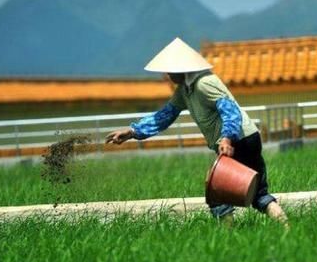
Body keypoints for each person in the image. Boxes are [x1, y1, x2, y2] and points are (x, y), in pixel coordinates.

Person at [105, 37, 288, 227]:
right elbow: (166, 115)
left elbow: (230, 110)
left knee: (218, 192)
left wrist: (227, 138)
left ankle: (229, 238)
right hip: (244, 138)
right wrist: (133, 131)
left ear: (180, 68)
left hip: (236, 140)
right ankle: (286, 227)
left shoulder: (204, 83)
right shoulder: (185, 91)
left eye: (169, 71)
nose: (167, 75)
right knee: (258, 193)